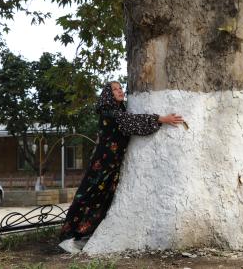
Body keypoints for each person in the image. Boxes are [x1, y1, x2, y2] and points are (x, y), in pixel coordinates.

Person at [58, 81, 184, 253]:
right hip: (102, 163)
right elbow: (130, 122)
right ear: (108, 95)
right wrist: (162, 119)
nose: (119, 91)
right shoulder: (109, 112)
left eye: (120, 88)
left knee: (103, 198)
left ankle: (83, 234)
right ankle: (69, 235)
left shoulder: (119, 110)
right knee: (88, 195)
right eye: (114, 89)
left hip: (112, 164)